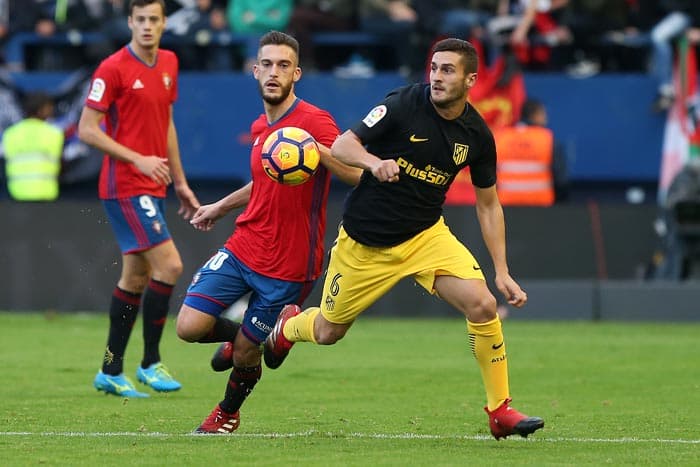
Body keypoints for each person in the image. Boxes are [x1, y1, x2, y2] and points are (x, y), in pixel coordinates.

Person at [264, 37, 545, 440]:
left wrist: (501, 270)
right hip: (366, 242)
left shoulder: (477, 136)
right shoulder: (402, 103)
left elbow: (488, 204)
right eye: (433, 68)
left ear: (471, 80)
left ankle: (500, 410)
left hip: (425, 236)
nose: (436, 76)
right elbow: (343, 145)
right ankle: (289, 327)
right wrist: (374, 163)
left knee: (483, 304)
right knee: (328, 332)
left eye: (448, 70)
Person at [175, 30, 361, 434]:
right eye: (267, 65)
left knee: (245, 352)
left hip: (289, 262)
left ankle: (227, 414)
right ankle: (261, 334)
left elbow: (354, 173)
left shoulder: (315, 121)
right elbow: (264, 180)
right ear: (254, 70)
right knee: (188, 327)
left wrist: (317, 149)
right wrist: (220, 207)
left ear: (296, 73)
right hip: (245, 244)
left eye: (283, 66)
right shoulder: (262, 124)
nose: (273, 73)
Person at [78, 0, 200, 398]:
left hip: (154, 185)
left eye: (154, 20)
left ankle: (110, 369)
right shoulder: (112, 68)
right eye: (140, 20)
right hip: (124, 185)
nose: (147, 26)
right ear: (130, 22)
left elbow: (165, 125)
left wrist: (179, 182)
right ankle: (149, 363)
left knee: (136, 277)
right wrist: (139, 159)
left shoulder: (168, 63)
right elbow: (87, 130)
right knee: (170, 265)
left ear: (164, 24)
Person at [493, 97, 568, 205]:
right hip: (541, 207)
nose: (546, 118)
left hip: (506, 207)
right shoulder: (548, 140)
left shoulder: (501, 138)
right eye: (543, 114)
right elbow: (561, 179)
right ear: (535, 115)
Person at [2, 91, 64, 201]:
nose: (52, 111)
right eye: (49, 107)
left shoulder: (10, 133)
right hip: (47, 195)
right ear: (41, 109)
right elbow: (62, 164)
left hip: (15, 194)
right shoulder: (54, 133)